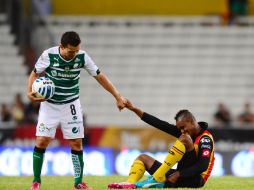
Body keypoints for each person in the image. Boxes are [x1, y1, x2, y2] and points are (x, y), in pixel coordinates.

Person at [27, 31, 126, 190]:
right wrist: (29, 93)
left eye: (76, 51)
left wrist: (117, 96)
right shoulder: (49, 55)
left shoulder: (82, 57)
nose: (74, 54)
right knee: (42, 141)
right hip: (49, 104)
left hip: (71, 104)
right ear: (62, 47)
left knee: (76, 143)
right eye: (71, 51)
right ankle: (36, 182)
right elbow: (34, 73)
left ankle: (78, 183)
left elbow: (100, 76)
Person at [108, 100, 215, 189]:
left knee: (185, 139)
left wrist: (178, 174)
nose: (182, 131)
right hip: (180, 174)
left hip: (195, 179)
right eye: (180, 129)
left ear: (192, 121)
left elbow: (202, 166)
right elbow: (159, 123)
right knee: (143, 158)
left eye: (183, 127)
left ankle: (157, 177)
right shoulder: (185, 132)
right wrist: (134, 109)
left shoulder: (205, 139)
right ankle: (129, 183)